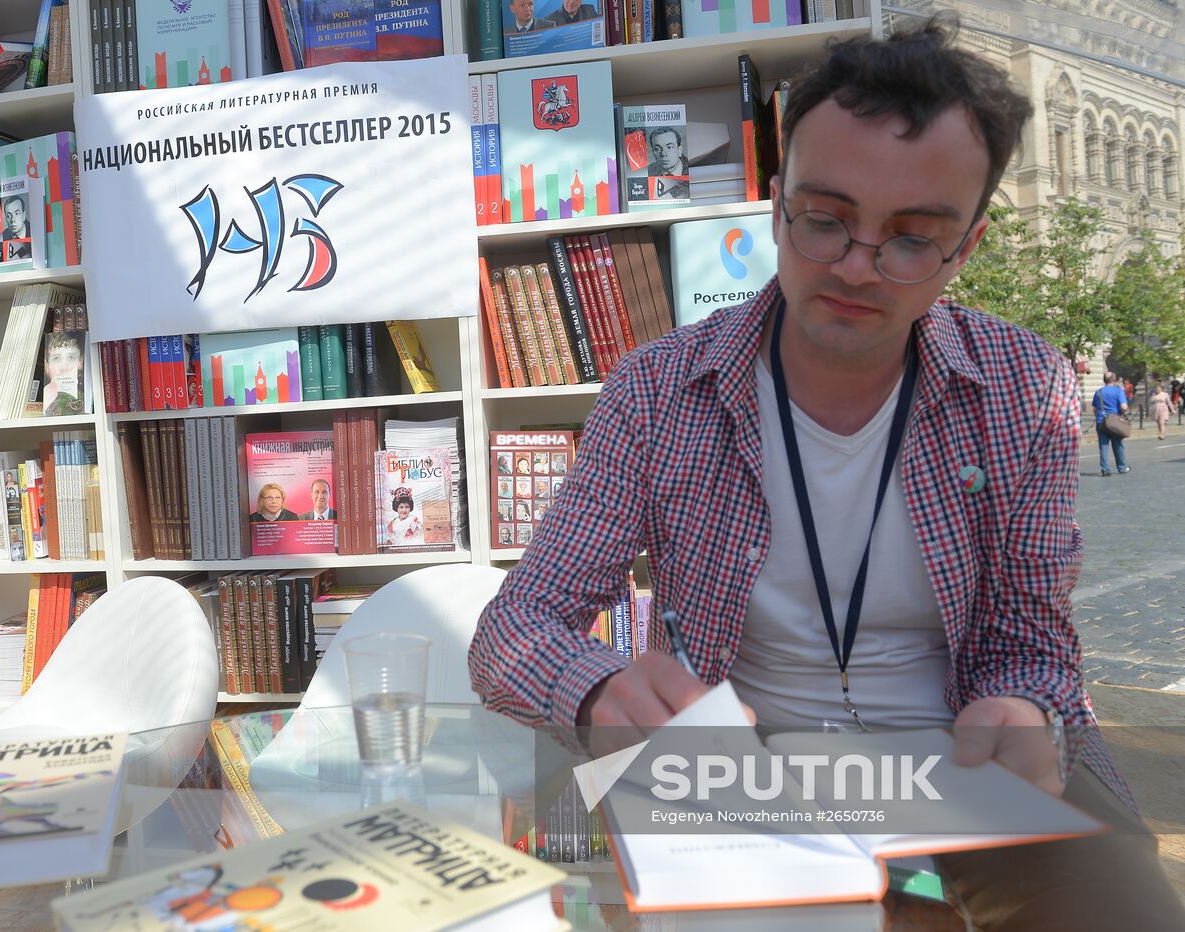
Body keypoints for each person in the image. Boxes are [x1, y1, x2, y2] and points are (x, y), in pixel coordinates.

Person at [467, 16, 1183, 929]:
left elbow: (1031, 634)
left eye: (914, 238)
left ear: (968, 245)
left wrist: (1025, 705)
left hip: (967, 770)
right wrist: (598, 687)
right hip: (745, 782)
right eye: (825, 220)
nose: (856, 267)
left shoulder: (1020, 383)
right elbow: (515, 629)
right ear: (776, 204)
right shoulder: (658, 391)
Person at [1092, 371, 1130, 476]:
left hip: (1101, 421)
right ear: (1114, 380)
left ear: (1104, 380)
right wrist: (1125, 410)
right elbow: (1123, 407)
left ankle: (1105, 469)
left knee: (1103, 446)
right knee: (1118, 445)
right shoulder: (1118, 391)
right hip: (1115, 422)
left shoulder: (1098, 392)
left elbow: (1095, 409)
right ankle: (1122, 467)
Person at [42, 332, 84, 416]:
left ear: (81, 362)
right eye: (56, 358)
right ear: (47, 366)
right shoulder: (46, 397)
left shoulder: (86, 396)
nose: (64, 367)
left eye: (71, 357)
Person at [646, 127, 691, 195]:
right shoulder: (648, 172)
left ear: (679, 150)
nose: (663, 154)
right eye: (657, 149)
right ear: (653, 152)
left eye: (669, 147)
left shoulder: (692, 168)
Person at [2, 194, 32, 260]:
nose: (12, 220)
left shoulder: (34, 232)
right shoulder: (3, 236)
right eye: (8, 216)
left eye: (16, 213)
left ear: (23, 215)